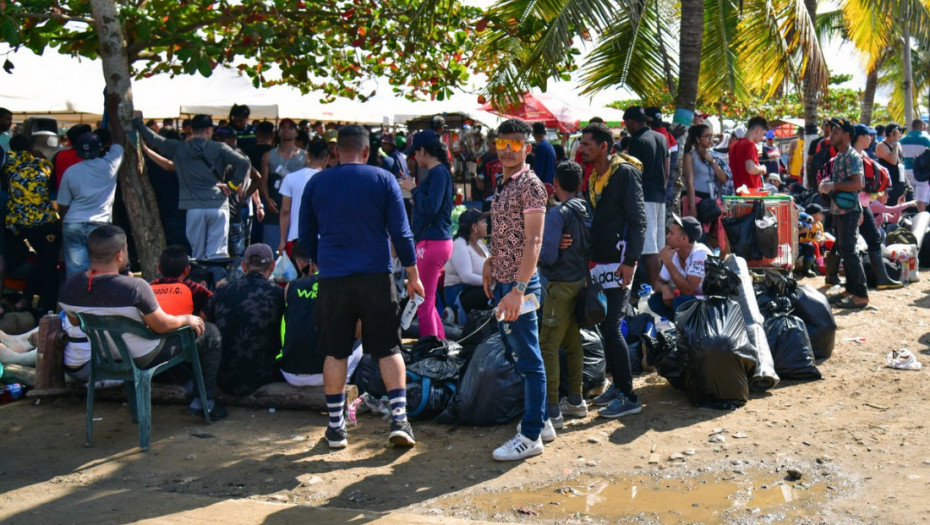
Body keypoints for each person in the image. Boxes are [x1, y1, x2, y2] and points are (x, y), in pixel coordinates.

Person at [299, 124, 424, 449]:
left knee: (335, 351)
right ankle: (399, 420)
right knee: (388, 347)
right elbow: (401, 232)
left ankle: (336, 427)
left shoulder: (317, 181)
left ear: (337, 152)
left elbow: (304, 238)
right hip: (376, 277)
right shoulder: (383, 179)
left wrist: (323, 260)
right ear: (367, 152)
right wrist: (413, 274)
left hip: (333, 278)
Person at [57, 225, 226, 418]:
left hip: (104, 356)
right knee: (210, 334)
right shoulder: (135, 288)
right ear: (120, 255)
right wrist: (186, 319)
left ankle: (189, 385)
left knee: (167, 339)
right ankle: (205, 402)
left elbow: (76, 322)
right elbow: (162, 326)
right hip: (144, 355)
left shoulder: (69, 288)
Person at [479, 118, 550, 461]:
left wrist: (518, 289)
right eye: (502, 144)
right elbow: (510, 232)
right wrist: (492, 260)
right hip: (506, 280)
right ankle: (543, 420)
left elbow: (535, 241)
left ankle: (531, 434)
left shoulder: (530, 186)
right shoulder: (503, 182)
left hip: (520, 284)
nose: (507, 151)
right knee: (517, 353)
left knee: (528, 358)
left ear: (527, 148)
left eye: (515, 145)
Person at [576, 122, 646, 419]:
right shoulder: (594, 177)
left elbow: (639, 221)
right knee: (605, 325)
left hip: (620, 263)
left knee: (613, 326)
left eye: (587, 145)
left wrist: (630, 261)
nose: (582, 149)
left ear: (604, 147)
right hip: (601, 261)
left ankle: (629, 396)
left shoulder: (625, 173)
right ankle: (617, 386)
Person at [133, 113, 251, 259]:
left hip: (194, 207)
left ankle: (199, 281)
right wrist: (232, 185)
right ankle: (217, 280)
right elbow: (244, 163)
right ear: (209, 130)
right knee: (217, 254)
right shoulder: (219, 148)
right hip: (218, 205)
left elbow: (155, 139)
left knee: (198, 255)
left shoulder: (179, 147)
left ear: (191, 130)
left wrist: (138, 123)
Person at [538, 161, 592, 428]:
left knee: (548, 345)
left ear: (555, 185)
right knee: (573, 344)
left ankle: (551, 410)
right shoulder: (585, 209)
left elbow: (548, 255)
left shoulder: (558, 214)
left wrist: (539, 251)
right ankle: (575, 399)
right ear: (581, 184)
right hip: (581, 283)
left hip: (559, 286)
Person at [201, 243, 285, 396]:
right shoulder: (279, 294)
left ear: (244, 266)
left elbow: (201, 321)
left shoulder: (222, 291)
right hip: (264, 374)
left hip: (224, 375)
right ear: (272, 266)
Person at [58, 95, 126, 278]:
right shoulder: (109, 166)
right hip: (99, 225)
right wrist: (113, 113)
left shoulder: (71, 172)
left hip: (73, 223)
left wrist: (63, 226)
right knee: (102, 270)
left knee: (75, 272)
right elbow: (120, 140)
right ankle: (97, 303)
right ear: (101, 148)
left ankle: (76, 304)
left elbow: (63, 205)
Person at [278, 243, 364, 387]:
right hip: (327, 374)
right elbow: (357, 332)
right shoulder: (348, 286)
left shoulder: (291, 286)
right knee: (362, 340)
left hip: (288, 372)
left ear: (312, 265)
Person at [399, 130, 454, 340]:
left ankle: (429, 352)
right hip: (435, 241)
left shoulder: (438, 173)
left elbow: (431, 206)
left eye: (415, 153)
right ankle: (438, 345)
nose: (414, 158)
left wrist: (413, 189)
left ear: (423, 151)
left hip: (433, 242)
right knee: (427, 301)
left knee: (423, 301)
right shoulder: (439, 173)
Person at [3, 134, 60, 314]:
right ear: (29, 147)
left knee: (40, 259)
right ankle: (46, 306)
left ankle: (25, 298)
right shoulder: (42, 164)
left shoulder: (7, 165)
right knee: (49, 264)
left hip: (16, 223)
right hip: (43, 222)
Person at [818, 118, 869, 309]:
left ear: (847, 135)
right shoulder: (839, 157)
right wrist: (827, 185)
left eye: (836, 131)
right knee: (845, 250)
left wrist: (834, 185)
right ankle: (850, 289)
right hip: (839, 210)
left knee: (849, 250)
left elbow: (858, 184)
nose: (832, 134)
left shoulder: (852, 157)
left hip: (849, 211)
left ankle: (861, 295)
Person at [624, 106, 668, 287]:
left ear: (632, 122)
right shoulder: (661, 137)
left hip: (644, 196)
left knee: (649, 249)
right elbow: (666, 170)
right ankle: (662, 286)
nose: (627, 128)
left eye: (627, 124)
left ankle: (657, 290)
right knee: (658, 247)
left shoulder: (637, 140)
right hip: (660, 195)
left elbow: (633, 174)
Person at [647, 214, 711, 320]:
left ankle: (692, 331)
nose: (667, 236)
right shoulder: (675, 253)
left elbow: (688, 290)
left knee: (680, 302)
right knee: (655, 300)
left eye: (671, 233)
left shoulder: (700, 253)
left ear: (685, 239)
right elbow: (658, 283)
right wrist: (664, 288)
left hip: (710, 306)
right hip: (692, 302)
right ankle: (683, 329)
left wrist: (668, 262)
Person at [261, 119, 309, 249]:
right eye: (283, 127)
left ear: (296, 133)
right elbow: (263, 180)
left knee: (298, 251)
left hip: (297, 209)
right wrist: (267, 199)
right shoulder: (268, 155)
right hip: (275, 208)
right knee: (272, 249)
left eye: (291, 127)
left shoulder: (305, 156)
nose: (287, 130)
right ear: (278, 132)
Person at [278, 138, 328, 256]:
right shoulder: (331, 180)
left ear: (307, 155)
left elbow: (285, 211)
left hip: (295, 237)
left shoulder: (290, 178)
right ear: (326, 159)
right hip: (322, 239)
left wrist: (282, 240)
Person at [443, 209, 491, 325]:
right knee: (495, 290)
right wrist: (491, 282)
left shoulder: (480, 244)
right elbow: (466, 277)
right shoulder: (459, 245)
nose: (486, 224)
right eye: (483, 222)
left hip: (477, 289)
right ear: (474, 227)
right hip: (459, 293)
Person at [150, 245, 213, 316]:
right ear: (187, 270)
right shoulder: (192, 287)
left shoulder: (149, 287)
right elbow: (213, 301)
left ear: (159, 268)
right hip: (184, 326)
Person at [876, 123, 912, 208]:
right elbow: (893, 161)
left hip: (902, 181)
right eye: (897, 133)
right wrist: (895, 143)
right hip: (891, 183)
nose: (900, 135)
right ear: (891, 134)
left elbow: (900, 164)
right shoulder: (881, 145)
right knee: (894, 208)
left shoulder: (898, 145)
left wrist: (908, 183)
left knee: (911, 205)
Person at [728, 116, 769, 191]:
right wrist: (762, 169)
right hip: (751, 194)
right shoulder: (750, 145)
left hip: (738, 193)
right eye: (763, 134)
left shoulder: (734, 146)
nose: (763, 138)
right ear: (757, 130)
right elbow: (751, 169)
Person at [900, 118, 930, 210]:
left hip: (906, 171)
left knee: (910, 199)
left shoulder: (902, 140)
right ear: (921, 127)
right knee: (921, 200)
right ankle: (922, 221)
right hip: (921, 173)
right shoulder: (925, 139)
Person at [797, 203, 825, 278]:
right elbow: (802, 238)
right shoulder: (804, 224)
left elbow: (821, 235)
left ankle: (823, 265)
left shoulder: (819, 224)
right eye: (820, 213)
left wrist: (822, 238)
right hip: (805, 244)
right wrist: (815, 241)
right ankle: (812, 268)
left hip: (817, 243)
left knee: (831, 243)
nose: (822, 215)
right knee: (812, 245)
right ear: (813, 215)